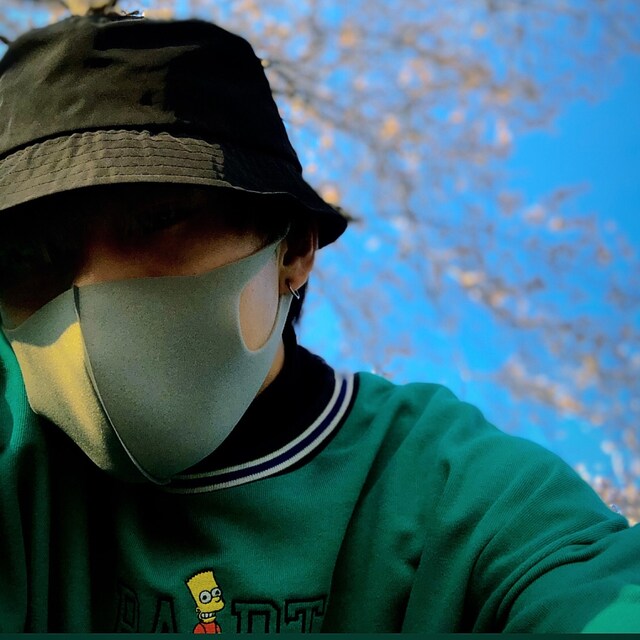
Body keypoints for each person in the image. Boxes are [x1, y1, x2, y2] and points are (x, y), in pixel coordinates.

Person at [0, 9, 638, 634]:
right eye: (29, 258)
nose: (93, 287)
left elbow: (589, 590)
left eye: (159, 218)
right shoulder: (16, 446)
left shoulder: (449, 488)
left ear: (293, 250)